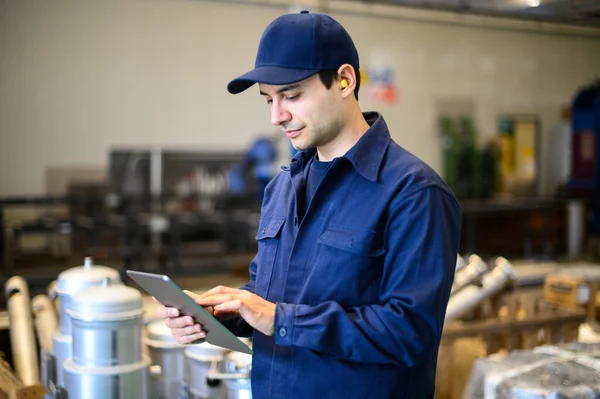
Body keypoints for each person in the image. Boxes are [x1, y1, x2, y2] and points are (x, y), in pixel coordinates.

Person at [157, 10, 461, 399]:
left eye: (292, 95)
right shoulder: (282, 187)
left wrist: (278, 318)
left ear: (345, 80)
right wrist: (222, 314)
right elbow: (273, 298)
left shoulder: (414, 193)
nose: (276, 116)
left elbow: (409, 332)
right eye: (268, 99)